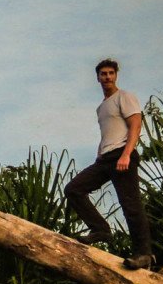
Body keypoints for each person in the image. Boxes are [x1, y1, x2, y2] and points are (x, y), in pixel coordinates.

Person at [64, 59, 155, 270]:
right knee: (74, 189)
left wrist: (126, 154)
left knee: (131, 205)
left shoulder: (124, 97)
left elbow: (135, 125)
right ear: (98, 78)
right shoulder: (101, 107)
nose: (107, 77)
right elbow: (108, 133)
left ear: (116, 76)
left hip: (122, 155)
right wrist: (99, 155)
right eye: (103, 74)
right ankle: (101, 230)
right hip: (105, 158)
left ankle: (144, 254)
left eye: (111, 73)